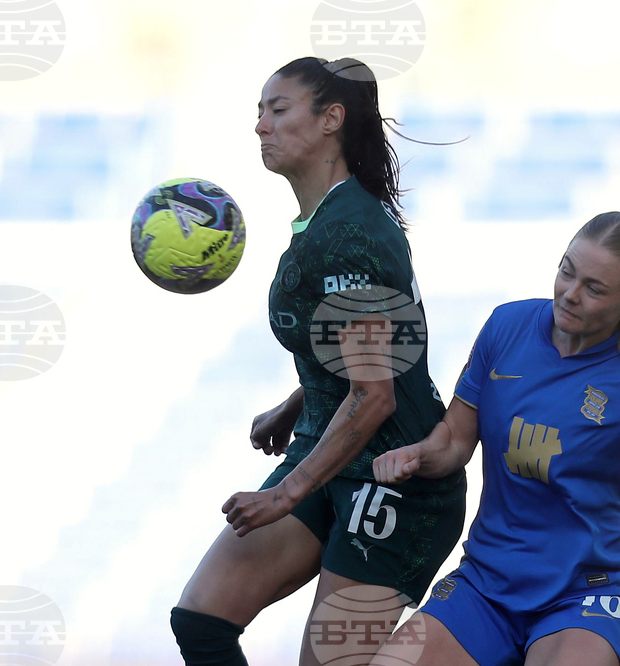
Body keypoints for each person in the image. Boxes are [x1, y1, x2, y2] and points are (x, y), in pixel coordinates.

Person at [170, 57, 467, 666]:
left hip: (393, 477)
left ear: (331, 119)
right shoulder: (328, 220)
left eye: (278, 110)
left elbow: (375, 393)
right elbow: (367, 348)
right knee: (201, 619)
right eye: (260, 111)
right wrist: (296, 403)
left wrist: (286, 494)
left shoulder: (348, 233)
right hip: (329, 448)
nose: (261, 125)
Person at [371, 212, 620, 666]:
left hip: (585, 595)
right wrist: (419, 455)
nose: (570, 294)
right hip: (486, 584)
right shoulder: (506, 326)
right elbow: (454, 441)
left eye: (594, 288)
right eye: (567, 271)